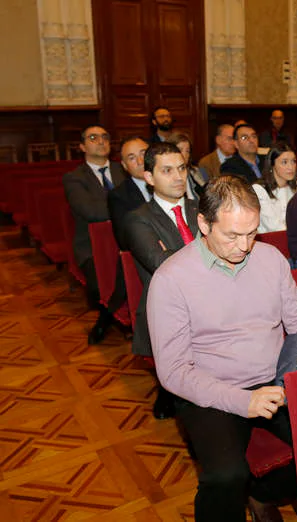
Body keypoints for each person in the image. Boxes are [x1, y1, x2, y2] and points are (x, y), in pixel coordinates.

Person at [147, 175, 297, 522]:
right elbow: (173, 371)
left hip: (275, 379)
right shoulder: (171, 279)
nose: (244, 246)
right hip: (210, 387)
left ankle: (264, 493)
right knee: (226, 475)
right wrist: (243, 401)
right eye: (232, 235)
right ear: (203, 223)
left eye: (252, 233)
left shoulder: (270, 258)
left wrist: (287, 380)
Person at [125, 142, 198, 420]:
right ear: (150, 177)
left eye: (181, 168)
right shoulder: (137, 219)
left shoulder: (201, 207)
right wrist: (210, 250)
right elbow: (162, 263)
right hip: (168, 308)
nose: (178, 177)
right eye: (167, 171)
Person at [63, 125, 126, 345]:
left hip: (126, 238)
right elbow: (91, 212)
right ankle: (108, 319)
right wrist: (125, 206)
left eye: (105, 137)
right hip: (90, 245)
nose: (101, 141)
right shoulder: (74, 177)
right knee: (103, 284)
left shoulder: (123, 170)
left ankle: (105, 320)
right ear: (82, 146)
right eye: (93, 137)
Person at [108, 136, 150, 251]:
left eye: (143, 154)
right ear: (124, 165)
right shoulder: (119, 196)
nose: (140, 162)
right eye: (132, 158)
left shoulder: (170, 183)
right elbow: (125, 240)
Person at [252, 142, 297, 232]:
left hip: (294, 237)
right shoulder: (259, 189)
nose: (291, 167)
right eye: (284, 162)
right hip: (270, 239)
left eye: (293, 161)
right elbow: (274, 226)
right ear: (272, 164)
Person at [167, 133, 206, 200]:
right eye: (180, 150)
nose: (184, 154)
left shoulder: (194, 172)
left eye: (187, 151)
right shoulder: (166, 176)